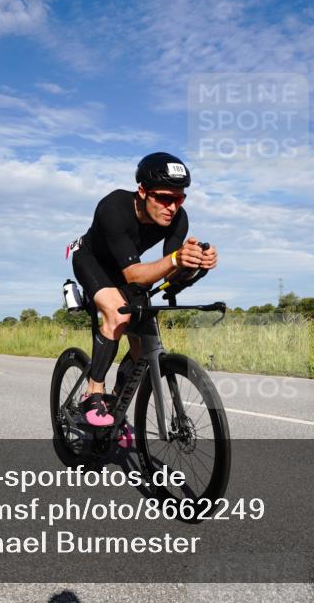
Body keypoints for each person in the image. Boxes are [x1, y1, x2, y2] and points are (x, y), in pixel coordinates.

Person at [69, 152, 218, 428]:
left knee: (142, 344)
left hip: (128, 267)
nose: (172, 207)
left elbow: (170, 273)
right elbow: (135, 274)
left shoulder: (178, 219)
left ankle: (115, 407)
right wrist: (177, 259)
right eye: (164, 198)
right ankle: (93, 391)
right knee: (118, 315)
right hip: (91, 261)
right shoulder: (113, 207)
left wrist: (195, 264)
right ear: (142, 191)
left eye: (179, 199)